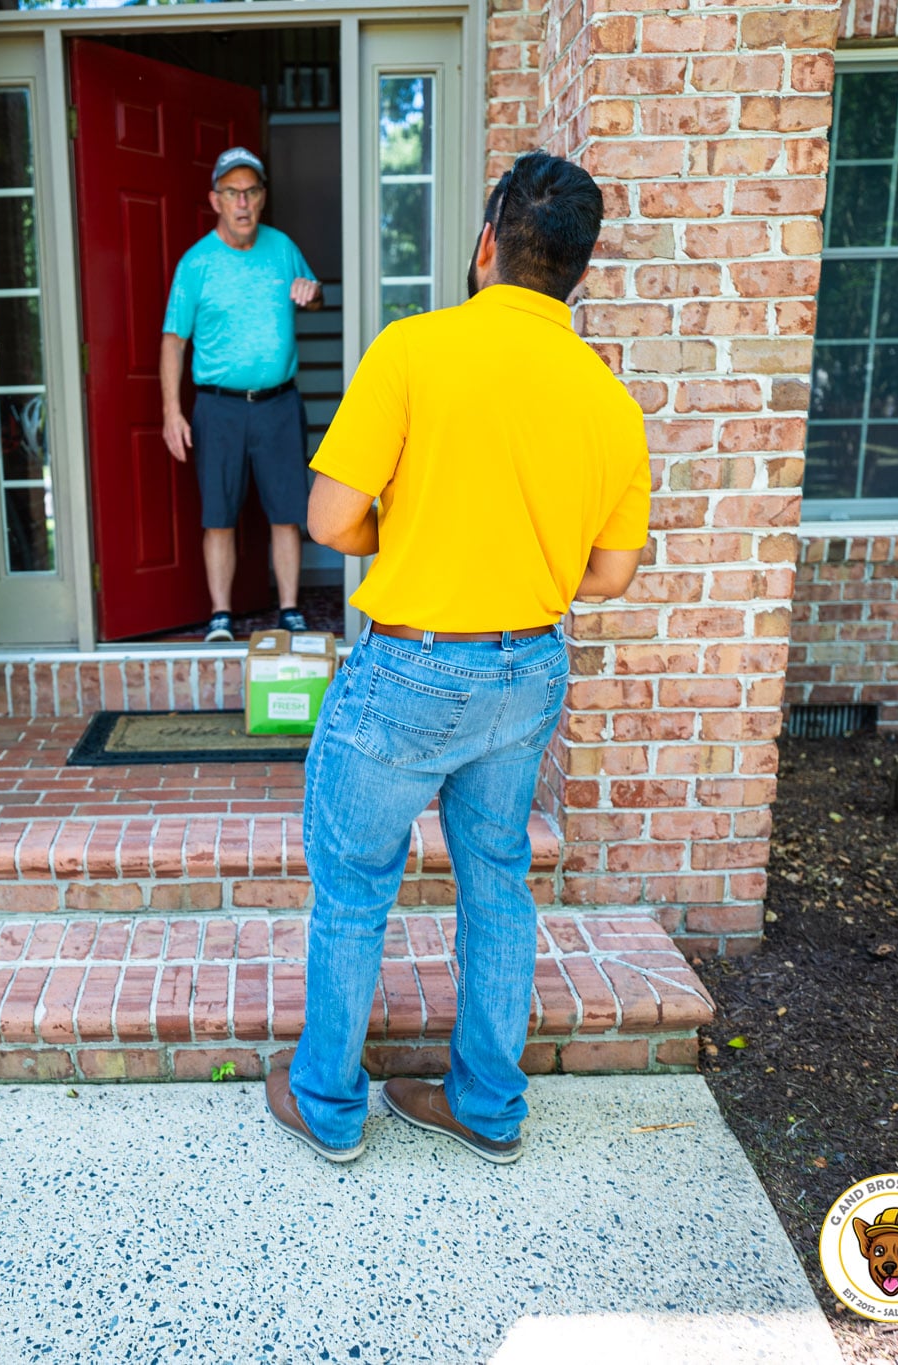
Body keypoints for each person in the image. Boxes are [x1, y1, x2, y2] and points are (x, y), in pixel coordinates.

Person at [265, 150, 652, 1165]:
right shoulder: (606, 398)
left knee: (354, 887)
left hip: (407, 672)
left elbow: (329, 515)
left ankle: (329, 1105)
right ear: (577, 270)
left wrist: (413, 542)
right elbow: (607, 577)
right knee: (497, 883)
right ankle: (485, 1106)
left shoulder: (413, 351)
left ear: (486, 246)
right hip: (524, 670)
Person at [161, 147, 325, 642]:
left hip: (278, 403)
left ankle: (290, 609)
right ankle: (221, 617)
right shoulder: (196, 265)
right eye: (232, 192)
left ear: (262, 197)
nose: (243, 202)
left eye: (251, 191)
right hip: (219, 407)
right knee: (219, 515)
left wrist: (312, 294)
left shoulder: (282, 247)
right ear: (215, 200)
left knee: (286, 512)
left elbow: (313, 297)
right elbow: (173, 340)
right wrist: (172, 411)